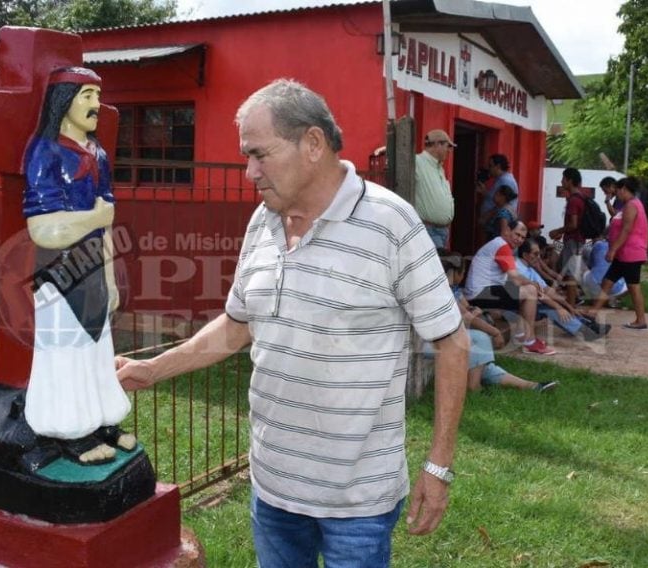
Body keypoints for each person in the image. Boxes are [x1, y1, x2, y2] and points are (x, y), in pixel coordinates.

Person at [115, 79, 469, 567]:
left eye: (259, 155)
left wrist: (439, 466)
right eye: (246, 157)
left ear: (313, 144)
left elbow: (452, 343)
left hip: (357, 503)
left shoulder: (391, 223)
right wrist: (152, 370)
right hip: (273, 490)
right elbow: (236, 327)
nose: (248, 172)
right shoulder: (262, 222)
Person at [23, 66, 135, 465]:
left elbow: (107, 223)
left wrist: (110, 276)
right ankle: (70, 431)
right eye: (86, 95)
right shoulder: (45, 151)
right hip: (60, 273)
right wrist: (93, 219)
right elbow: (42, 229)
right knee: (65, 351)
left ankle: (101, 420)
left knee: (96, 349)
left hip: (92, 270)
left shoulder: (97, 152)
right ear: (63, 100)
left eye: (97, 95)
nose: (95, 105)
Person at [428, 250, 559, 393]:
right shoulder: (441, 291)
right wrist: (495, 332)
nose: (464, 275)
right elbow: (467, 316)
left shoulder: (453, 289)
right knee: (480, 338)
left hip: (448, 336)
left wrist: (474, 311)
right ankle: (474, 387)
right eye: (463, 271)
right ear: (455, 272)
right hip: (433, 342)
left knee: (483, 363)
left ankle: (532, 387)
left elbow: (467, 309)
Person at [463, 220, 556, 355]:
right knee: (530, 291)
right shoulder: (502, 246)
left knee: (524, 291)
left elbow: (511, 279)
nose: (519, 240)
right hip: (480, 292)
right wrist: (532, 284)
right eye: (516, 235)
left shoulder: (499, 244)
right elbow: (515, 277)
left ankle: (521, 334)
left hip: (484, 290)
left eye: (522, 238)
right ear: (507, 231)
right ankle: (529, 341)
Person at [516, 239, 611, 341]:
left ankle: (586, 323)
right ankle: (584, 331)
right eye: (535, 254)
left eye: (539, 254)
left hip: (532, 302)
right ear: (525, 255)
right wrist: (559, 308)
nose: (539, 258)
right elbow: (540, 295)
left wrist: (569, 307)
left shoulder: (530, 269)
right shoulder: (518, 268)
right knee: (551, 308)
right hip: (518, 305)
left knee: (558, 302)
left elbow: (548, 291)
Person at [588, 176, 648, 329]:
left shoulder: (632, 205)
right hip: (623, 254)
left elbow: (627, 229)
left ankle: (641, 321)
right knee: (607, 282)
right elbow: (616, 221)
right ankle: (592, 312)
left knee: (633, 287)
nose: (616, 193)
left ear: (623, 189)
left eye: (618, 190)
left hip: (630, 253)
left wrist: (613, 250)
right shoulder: (626, 205)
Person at [548, 167, 586, 307]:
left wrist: (557, 231)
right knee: (569, 272)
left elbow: (574, 224)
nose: (561, 181)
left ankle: (571, 306)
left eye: (563, 179)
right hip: (578, 240)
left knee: (570, 274)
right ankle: (573, 301)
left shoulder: (574, 201)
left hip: (573, 240)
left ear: (569, 180)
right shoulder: (581, 198)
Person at [414, 129, 456, 247]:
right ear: (438, 144)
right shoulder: (417, 162)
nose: (449, 150)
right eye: (448, 146)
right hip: (429, 230)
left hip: (441, 231)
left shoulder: (439, 167)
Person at [579, 230, 628, 305]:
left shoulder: (598, 245)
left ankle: (594, 296)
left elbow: (591, 265)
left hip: (595, 283)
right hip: (614, 286)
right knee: (629, 279)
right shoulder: (622, 248)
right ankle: (611, 299)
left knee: (584, 267)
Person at [477, 153, 519, 218]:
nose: (489, 169)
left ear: (498, 166)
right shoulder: (500, 179)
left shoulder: (506, 181)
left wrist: (486, 216)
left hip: (498, 222)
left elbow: (501, 203)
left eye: (490, 166)